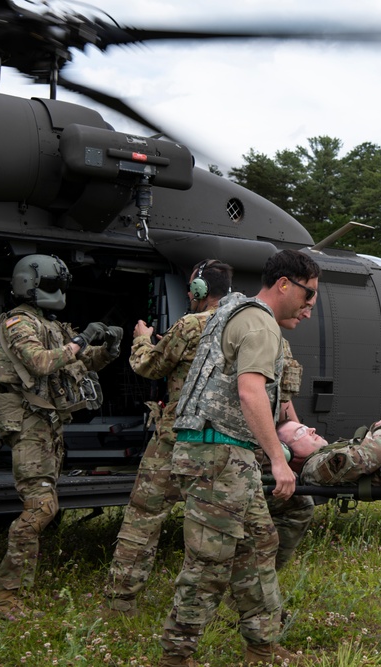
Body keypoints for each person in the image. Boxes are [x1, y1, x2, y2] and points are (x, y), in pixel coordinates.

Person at [158, 249, 319, 667]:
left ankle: (261, 646)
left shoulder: (236, 309)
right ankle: (176, 657)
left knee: (258, 544)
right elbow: (250, 392)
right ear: (284, 283)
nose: (309, 308)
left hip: (224, 455)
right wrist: (279, 461)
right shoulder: (261, 324)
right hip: (218, 456)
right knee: (210, 563)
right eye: (308, 296)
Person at [0, 254, 122, 620]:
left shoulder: (48, 323)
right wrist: (78, 340)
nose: (57, 292)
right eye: (51, 284)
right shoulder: (17, 323)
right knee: (42, 507)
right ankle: (4, 599)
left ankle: (15, 592)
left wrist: (107, 348)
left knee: (44, 505)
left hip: (47, 424)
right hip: (26, 423)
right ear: (31, 283)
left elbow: (79, 361)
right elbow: (42, 362)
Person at [104, 259, 234, 617]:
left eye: (191, 288)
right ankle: (208, 608)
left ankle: (120, 603)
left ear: (199, 290)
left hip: (175, 436)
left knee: (144, 516)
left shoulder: (190, 324)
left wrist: (143, 340)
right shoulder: (243, 323)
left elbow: (148, 366)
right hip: (223, 440)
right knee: (214, 526)